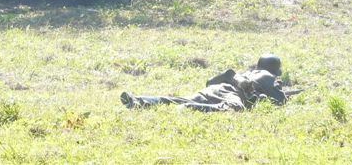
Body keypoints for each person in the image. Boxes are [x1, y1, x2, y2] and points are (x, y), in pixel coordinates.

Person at [120, 54, 293, 112]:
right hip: (233, 94)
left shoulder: (246, 73)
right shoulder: (268, 76)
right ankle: (191, 108)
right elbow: (280, 100)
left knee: (180, 99)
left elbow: (209, 82)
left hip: (217, 88)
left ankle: (139, 100)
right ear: (275, 70)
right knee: (235, 108)